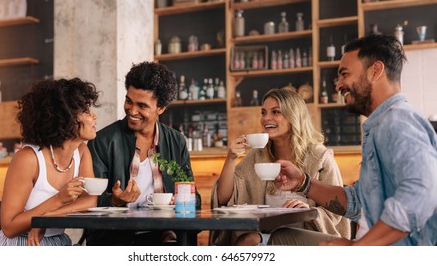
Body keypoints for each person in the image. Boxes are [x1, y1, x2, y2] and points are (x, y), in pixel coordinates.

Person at [276, 34, 437, 245]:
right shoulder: (380, 124)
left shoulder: (397, 121)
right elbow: (358, 201)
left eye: (345, 74)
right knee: (280, 238)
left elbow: (421, 192)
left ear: (375, 71)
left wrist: (358, 250)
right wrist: (302, 182)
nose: (339, 85)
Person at [211, 88, 350, 246]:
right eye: (263, 112)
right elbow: (224, 197)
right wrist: (231, 158)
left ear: (293, 117)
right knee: (249, 240)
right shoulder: (258, 155)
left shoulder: (319, 158)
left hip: (309, 238)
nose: (266, 118)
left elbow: (337, 208)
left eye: (276, 112)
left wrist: (310, 211)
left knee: (249, 241)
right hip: (268, 237)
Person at [86, 61, 201, 246]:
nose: (132, 111)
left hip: (165, 240)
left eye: (142, 106)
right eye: (128, 101)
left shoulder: (176, 140)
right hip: (115, 240)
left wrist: (180, 200)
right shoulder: (102, 141)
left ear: (161, 108)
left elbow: (195, 199)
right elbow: (88, 200)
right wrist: (114, 201)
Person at [0, 78, 100, 246]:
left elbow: (89, 201)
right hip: (23, 244)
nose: (94, 116)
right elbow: (9, 227)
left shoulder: (82, 151)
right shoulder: (28, 159)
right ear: (67, 118)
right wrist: (59, 199)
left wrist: (46, 219)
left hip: (58, 242)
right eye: (86, 111)